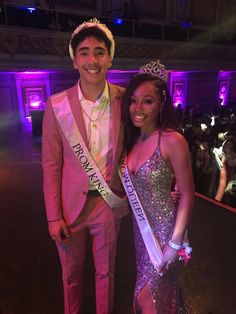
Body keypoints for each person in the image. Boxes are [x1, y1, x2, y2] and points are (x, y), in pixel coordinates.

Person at [42, 18, 129, 314]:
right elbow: (51, 166)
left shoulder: (125, 100)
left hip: (108, 203)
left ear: (110, 57)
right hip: (69, 209)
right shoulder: (56, 106)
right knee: (71, 276)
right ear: (74, 60)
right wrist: (53, 217)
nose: (93, 59)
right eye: (84, 52)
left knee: (107, 273)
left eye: (100, 51)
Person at [120, 60, 195, 313]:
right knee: (160, 299)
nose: (137, 108)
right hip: (140, 235)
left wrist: (175, 244)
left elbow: (187, 193)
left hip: (164, 234)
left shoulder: (173, 140)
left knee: (148, 298)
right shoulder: (131, 141)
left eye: (147, 101)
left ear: (162, 104)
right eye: (133, 100)